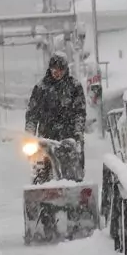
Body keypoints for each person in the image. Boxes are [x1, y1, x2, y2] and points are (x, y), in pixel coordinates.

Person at [25, 52, 87, 183]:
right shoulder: (41, 88)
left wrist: (77, 134)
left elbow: (79, 113)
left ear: (65, 70)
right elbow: (32, 114)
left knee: (72, 177)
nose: (57, 72)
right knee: (40, 176)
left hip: (68, 140)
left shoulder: (74, 87)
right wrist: (29, 135)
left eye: (60, 69)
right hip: (45, 141)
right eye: (54, 69)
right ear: (50, 69)